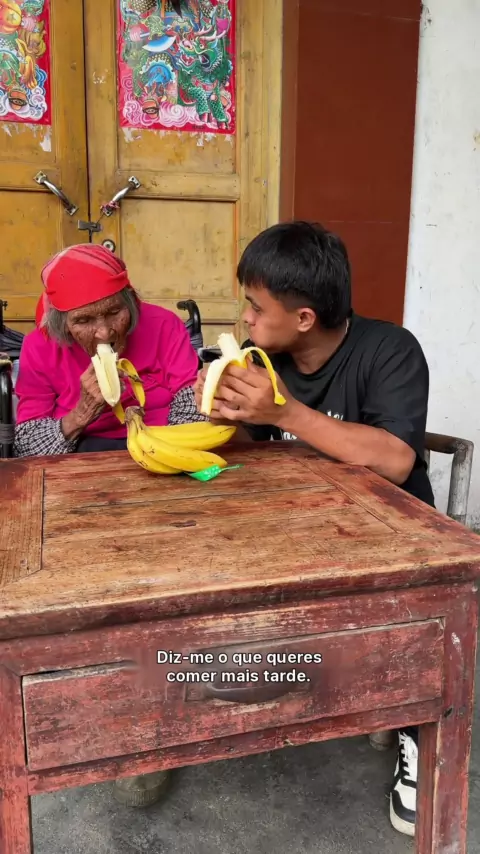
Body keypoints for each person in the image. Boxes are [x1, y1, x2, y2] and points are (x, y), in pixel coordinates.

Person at [195, 220, 435, 838]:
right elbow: (252, 452)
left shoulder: (390, 350)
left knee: (418, 628)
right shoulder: (263, 360)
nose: (246, 318)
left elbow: (396, 459)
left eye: (256, 307)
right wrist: (223, 413)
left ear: (304, 318)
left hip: (392, 539)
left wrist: (287, 411)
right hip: (299, 532)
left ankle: (415, 730)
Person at [14, 243, 204, 458]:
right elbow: (26, 444)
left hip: (162, 440)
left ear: (130, 303)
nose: (104, 333)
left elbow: (192, 400)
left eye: (114, 312)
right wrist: (81, 414)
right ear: (63, 324)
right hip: (82, 452)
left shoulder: (163, 324)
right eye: (83, 320)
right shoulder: (39, 346)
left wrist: (167, 450)